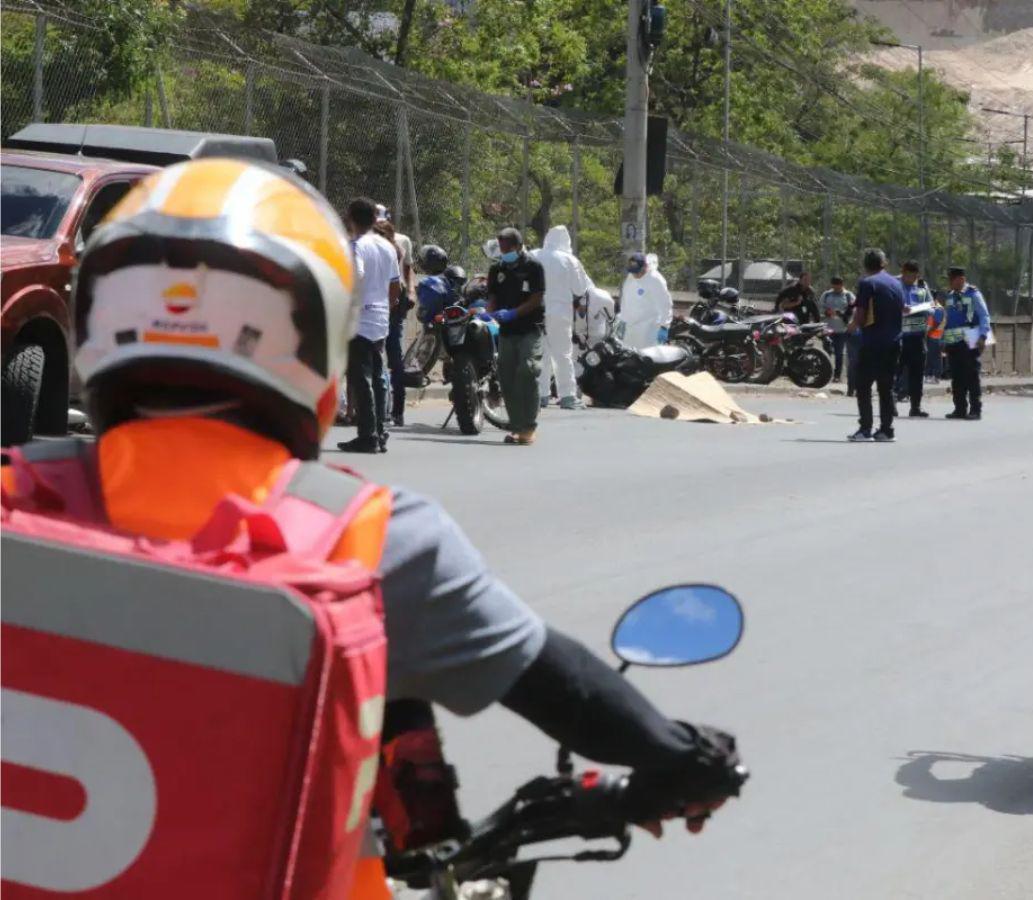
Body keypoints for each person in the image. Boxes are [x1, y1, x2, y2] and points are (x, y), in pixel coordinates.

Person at [46, 157, 741, 897]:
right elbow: (558, 687)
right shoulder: (370, 540)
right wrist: (678, 755)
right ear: (312, 347)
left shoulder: (16, 497)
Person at [342, 196, 401, 454]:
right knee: (378, 375)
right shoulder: (387, 246)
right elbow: (394, 286)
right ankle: (379, 431)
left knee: (361, 377)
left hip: (359, 318)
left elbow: (355, 278)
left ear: (351, 219)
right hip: (380, 317)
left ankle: (367, 435)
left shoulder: (356, 246)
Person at [486, 227, 546, 445]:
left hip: (530, 328)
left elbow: (536, 299)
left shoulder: (533, 267)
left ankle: (528, 426)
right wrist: (489, 313)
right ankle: (517, 427)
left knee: (528, 370)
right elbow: (492, 297)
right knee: (507, 377)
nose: (503, 251)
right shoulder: (496, 269)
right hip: (507, 332)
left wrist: (513, 313)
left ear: (518, 247)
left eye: (506, 247)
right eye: (500, 247)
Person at [847, 249, 905, 443]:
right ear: (884, 263)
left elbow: (861, 314)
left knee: (862, 385)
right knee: (886, 387)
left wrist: (853, 326)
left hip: (873, 342)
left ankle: (865, 429)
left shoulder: (867, 283)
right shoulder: (896, 284)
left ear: (865, 265)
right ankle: (887, 430)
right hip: (894, 342)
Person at [532, 225, 589, 409]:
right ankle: (567, 396)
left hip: (535, 312)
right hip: (559, 314)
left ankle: (540, 395)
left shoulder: (533, 255)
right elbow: (581, 289)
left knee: (541, 354)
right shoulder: (569, 260)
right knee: (563, 355)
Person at [375, 213, 415, 426]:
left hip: (386, 305)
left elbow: (406, 273)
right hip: (389, 303)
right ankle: (391, 410)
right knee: (392, 356)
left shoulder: (394, 245)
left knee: (384, 357)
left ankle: (391, 410)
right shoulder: (392, 246)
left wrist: (410, 292)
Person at [941, 265, 991, 420]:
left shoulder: (973, 294)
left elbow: (984, 315)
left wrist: (983, 336)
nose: (949, 282)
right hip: (953, 338)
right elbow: (948, 319)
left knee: (971, 375)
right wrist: (943, 339)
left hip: (971, 335)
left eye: (952, 279)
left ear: (961, 279)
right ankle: (960, 408)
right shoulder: (950, 296)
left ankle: (976, 409)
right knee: (956, 376)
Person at [896, 262, 932, 418]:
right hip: (899, 336)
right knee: (895, 372)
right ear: (902, 272)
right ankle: (891, 404)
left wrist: (919, 308)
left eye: (914, 276)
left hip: (917, 336)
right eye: (909, 275)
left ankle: (915, 406)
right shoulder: (894, 285)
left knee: (917, 373)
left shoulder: (923, 287)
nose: (912, 279)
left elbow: (932, 306)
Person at [618, 252, 673, 351]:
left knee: (646, 358)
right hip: (631, 328)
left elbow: (665, 305)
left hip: (649, 328)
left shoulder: (656, 280)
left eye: (637, 272)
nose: (634, 274)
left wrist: (664, 326)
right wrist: (622, 320)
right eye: (632, 272)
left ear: (645, 267)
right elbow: (626, 300)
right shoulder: (631, 276)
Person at [819, 276, 854, 382]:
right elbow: (820, 307)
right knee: (827, 352)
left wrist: (842, 314)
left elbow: (854, 310)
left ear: (842, 285)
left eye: (838, 286)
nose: (836, 288)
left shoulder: (848, 295)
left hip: (842, 330)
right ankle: (826, 374)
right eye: (834, 286)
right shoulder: (826, 295)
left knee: (839, 353)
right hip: (828, 328)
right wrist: (826, 312)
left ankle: (837, 375)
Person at [925, 292, 946, 382]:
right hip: (932, 336)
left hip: (936, 336)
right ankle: (929, 375)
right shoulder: (933, 307)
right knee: (930, 357)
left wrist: (927, 331)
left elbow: (936, 322)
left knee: (935, 357)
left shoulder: (938, 308)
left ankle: (936, 376)